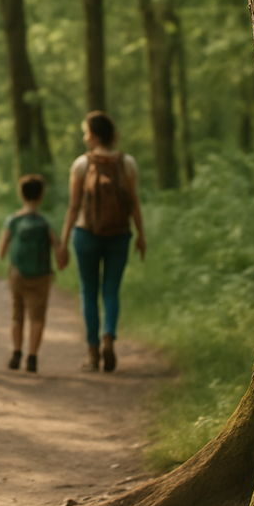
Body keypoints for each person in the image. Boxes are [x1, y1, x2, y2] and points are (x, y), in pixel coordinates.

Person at [57, 111, 146, 372]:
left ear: (94, 136)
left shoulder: (81, 164)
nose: (85, 137)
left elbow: (73, 207)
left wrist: (63, 241)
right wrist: (141, 234)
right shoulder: (127, 163)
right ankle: (108, 336)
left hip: (86, 234)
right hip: (119, 235)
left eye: (86, 132)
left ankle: (93, 352)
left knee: (88, 292)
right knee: (110, 291)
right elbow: (133, 203)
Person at [0, 175, 61, 373]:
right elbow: (57, 247)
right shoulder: (44, 222)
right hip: (41, 275)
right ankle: (32, 357)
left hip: (17, 274)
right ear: (41, 195)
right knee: (37, 317)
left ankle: (16, 353)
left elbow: (1, 251)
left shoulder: (13, 221)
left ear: (21, 194)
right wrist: (60, 262)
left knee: (17, 315)